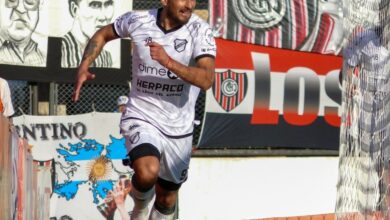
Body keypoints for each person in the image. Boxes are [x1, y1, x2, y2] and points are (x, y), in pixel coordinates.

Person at [72, 0, 216, 219]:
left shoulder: (200, 29)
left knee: (167, 198)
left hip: (179, 127)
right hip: (141, 115)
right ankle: (139, 210)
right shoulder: (138, 20)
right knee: (147, 173)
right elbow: (102, 34)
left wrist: (169, 62)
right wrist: (84, 64)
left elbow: (206, 79)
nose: (189, 4)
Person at [61, 0, 114, 68]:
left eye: (108, 4)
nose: (103, 17)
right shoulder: (59, 51)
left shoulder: (106, 57)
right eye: (94, 5)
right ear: (74, 9)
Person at [0, 0, 45, 65]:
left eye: (29, 2)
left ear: (40, 6)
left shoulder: (43, 57)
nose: (21, 10)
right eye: (11, 0)